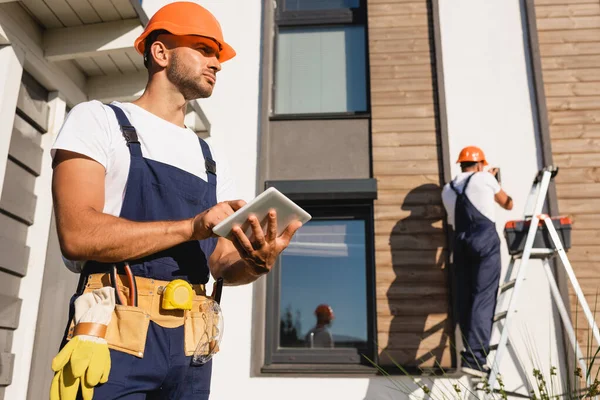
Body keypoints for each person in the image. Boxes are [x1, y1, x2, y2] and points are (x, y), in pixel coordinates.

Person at [49, 2, 302, 399]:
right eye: (204, 48)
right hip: (114, 329)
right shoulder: (97, 120)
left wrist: (254, 262)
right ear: (160, 52)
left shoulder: (212, 158)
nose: (216, 62)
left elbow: (220, 262)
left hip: (191, 343)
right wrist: (190, 227)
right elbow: (78, 234)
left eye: (218, 55)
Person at [441, 146, 513, 377]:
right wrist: (492, 179)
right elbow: (508, 203)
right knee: (483, 296)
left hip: (460, 243)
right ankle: (475, 358)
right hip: (484, 241)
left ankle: (468, 355)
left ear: (461, 164)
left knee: (465, 298)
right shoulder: (484, 178)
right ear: (480, 163)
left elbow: (454, 220)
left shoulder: (447, 189)